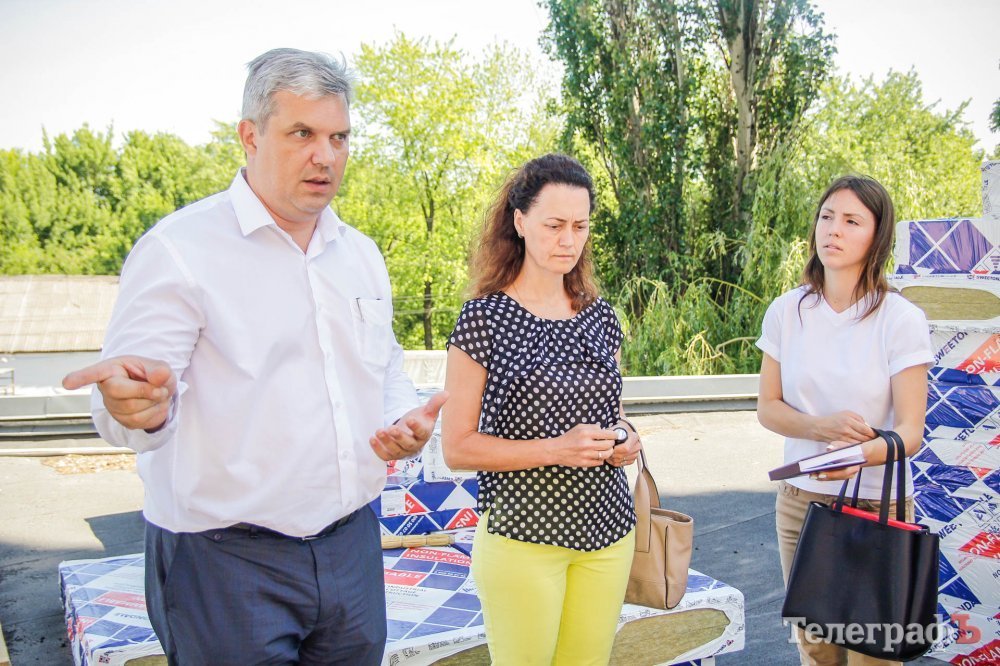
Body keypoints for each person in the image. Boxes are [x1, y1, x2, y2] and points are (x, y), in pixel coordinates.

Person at [62, 48, 447, 665]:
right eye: (302, 134)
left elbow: (383, 368)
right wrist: (140, 408)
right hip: (223, 562)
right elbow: (126, 408)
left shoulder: (360, 255)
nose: (326, 156)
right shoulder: (179, 252)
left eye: (339, 137)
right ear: (250, 136)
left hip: (351, 546)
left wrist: (402, 419)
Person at [441, 153, 642, 665]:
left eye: (580, 226)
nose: (569, 240)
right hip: (524, 539)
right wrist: (557, 449)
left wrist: (624, 439)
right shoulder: (483, 319)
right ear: (520, 221)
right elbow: (457, 448)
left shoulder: (600, 317)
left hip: (608, 534)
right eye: (554, 225)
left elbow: (612, 414)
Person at [756, 175, 933, 666]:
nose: (833, 229)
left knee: (871, 651)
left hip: (879, 505)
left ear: (877, 237)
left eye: (852, 221)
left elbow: (911, 432)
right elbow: (768, 407)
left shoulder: (900, 318)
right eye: (827, 216)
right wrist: (821, 428)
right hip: (801, 503)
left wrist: (858, 455)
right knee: (816, 649)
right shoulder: (787, 310)